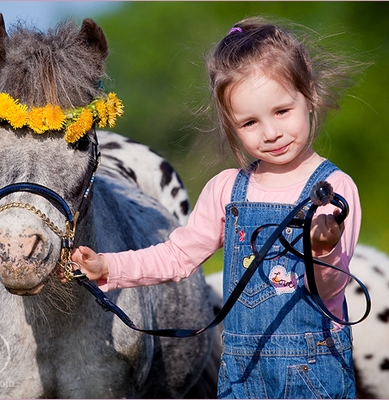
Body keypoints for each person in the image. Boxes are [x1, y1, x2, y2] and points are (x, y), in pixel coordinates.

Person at [69, 16, 362, 399]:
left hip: (314, 368)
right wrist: (109, 266)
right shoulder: (227, 189)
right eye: (250, 122)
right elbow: (177, 256)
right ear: (231, 125)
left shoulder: (334, 189)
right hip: (242, 372)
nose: (270, 133)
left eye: (281, 112)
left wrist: (323, 251)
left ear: (308, 95)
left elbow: (328, 291)